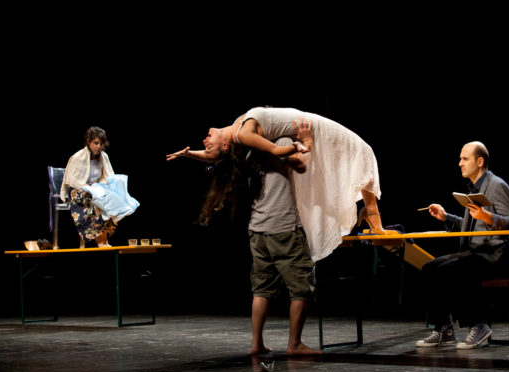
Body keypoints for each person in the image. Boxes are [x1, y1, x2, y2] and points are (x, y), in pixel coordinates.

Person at [166, 106, 394, 262]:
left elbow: (213, 155)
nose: (204, 141)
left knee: (357, 154)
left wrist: (189, 154)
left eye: (205, 143)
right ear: (225, 145)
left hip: (305, 120)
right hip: (311, 127)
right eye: (207, 144)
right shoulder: (243, 134)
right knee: (362, 150)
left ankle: (369, 211)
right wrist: (302, 144)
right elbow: (275, 150)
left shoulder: (237, 128)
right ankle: (371, 214)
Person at [416, 141, 509, 349]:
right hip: (477, 252)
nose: (460, 163)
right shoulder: (473, 189)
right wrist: (446, 217)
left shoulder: (496, 185)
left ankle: (479, 325)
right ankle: (444, 329)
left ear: (479, 162)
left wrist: (488, 217)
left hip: (497, 255)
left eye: (464, 159)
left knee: (455, 269)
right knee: (430, 267)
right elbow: (471, 226)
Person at [246, 136, 320, 356]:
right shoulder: (282, 142)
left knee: (262, 288)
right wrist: (306, 141)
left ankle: (256, 344)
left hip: (258, 228)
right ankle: (294, 344)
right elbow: (302, 165)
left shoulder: (251, 150)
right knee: (301, 287)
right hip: (284, 228)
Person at [60, 126, 117, 248]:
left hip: (95, 189)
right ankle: (99, 241)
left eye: (101, 144)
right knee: (91, 200)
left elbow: (108, 176)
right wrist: (85, 186)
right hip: (77, 191)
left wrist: (103, 186)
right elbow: (72, 180)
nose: (98, 147)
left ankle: (104, 239)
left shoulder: (103, 157)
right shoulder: (78, 157)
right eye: (96, 143)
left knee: (111, 197)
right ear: (88, 141)